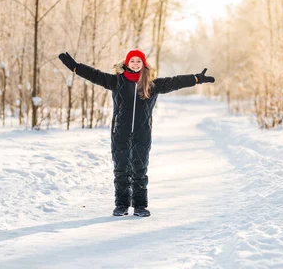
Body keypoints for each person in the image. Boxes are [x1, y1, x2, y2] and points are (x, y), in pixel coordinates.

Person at [58, 49, 215, 217]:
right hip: (120, 133)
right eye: (132, 61)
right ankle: (121, 205)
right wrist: (75, 67)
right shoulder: (116, 81)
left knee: (140, 170)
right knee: (121, 170)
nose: (135, 64)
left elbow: (175, 82)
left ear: (143, 64)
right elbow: (94, 75)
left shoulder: (151, 84)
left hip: (142, 133)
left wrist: (196, 78)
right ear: (127, 63)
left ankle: (140, 206)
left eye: (138, 61)